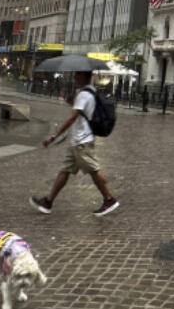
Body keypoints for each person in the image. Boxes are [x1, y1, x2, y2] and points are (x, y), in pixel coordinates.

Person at [31, 71, 119, 217]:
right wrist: (73, 102)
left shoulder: (84, 94)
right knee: (65, 171)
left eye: (77, 75)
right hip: (78, 141)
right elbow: (84, 111)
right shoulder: (90, 91)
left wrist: (53, 136)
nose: (74, 77)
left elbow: (72, 118)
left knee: (94, 170)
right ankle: (48, 201)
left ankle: (109, 199)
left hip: (82, 141)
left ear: (84, 76)